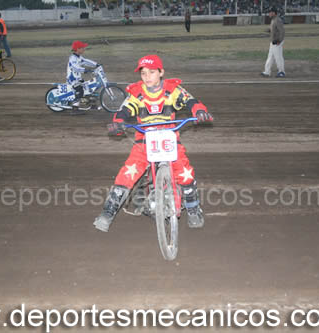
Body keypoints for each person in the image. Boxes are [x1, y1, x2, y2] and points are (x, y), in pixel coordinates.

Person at [93, 54, 213, 232]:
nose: (147, 77)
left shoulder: (173, 90)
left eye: (151, 72)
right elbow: (124, 110)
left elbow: (190, 101)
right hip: (144, 140)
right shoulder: (136, 93)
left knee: (185, 171)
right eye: (143, 73)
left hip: (169, 138)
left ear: (161, 72)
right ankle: (107, 214)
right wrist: (117, 122)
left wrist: (200, 111)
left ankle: (194, 209)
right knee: (128, 173)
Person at [66, 40, 99, 108]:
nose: (84, 49)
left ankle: (90, 104)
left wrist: (96, 64)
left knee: (89, 88)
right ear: (78, 49)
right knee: (80, 90)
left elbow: (86, 61)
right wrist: (85, 70)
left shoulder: (79, 57)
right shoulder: (72, 58)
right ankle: (74, 108)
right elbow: (76, 68)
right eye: (82, 48)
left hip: (78, 79)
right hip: (72, 79)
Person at [261, 7, 285, 78]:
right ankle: (267, 72)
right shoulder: (273, 20)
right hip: (273, 42)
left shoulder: (278, 20)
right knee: (270, 57)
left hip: (277, 42)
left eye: (270, 12)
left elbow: (282, 32)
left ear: (274, 13)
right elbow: (274, 29)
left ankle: (281, 72)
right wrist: (269, 30)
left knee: (278, 57)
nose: (269, 14)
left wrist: (279, 41)